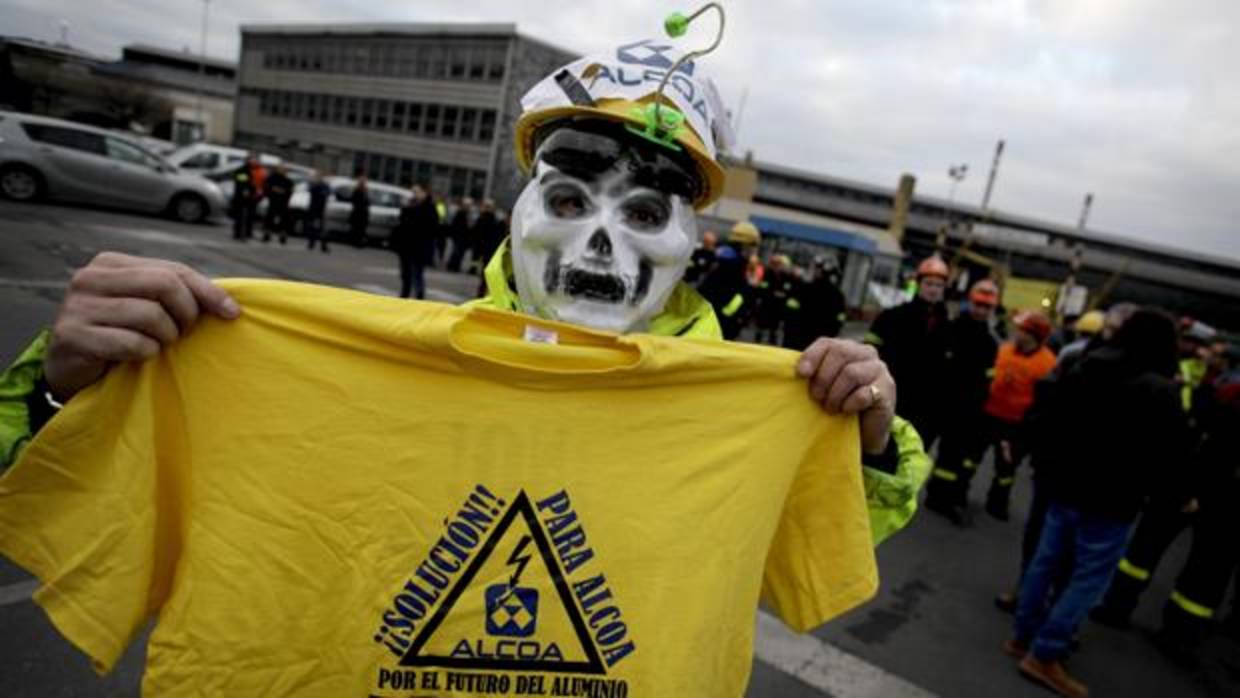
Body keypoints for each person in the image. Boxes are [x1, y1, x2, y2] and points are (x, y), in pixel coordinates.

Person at [0, 27, 930, 695]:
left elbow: (820, 547)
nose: (601, 245)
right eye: (569, 200)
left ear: (693, 243)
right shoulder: (298, 364)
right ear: (520, 215)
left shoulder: (760, 410)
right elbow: (48, 498)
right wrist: (56, 388)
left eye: (644, 216)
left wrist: (871, 441)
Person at [1005, 309, 1191, 698]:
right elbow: (1171, 455)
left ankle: (1023, 636)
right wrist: (1172, 498)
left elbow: (1054, 416)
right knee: (1086, 580)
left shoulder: (1088, 365)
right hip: (1113, 502)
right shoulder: (1162, 390)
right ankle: (1046, 652)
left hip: (1065, 484)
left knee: (1046, 561)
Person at [923, 279, 1002, 524]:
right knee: (916, 446)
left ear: (993, 309)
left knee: (951, 457)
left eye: (986, 307)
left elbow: (986, 381)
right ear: (970, 301)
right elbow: (933, 365)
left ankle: (939, 498)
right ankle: (893, 490)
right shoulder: (950, 329)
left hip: (964, 411)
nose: (981, 310)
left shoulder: (990, 343)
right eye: (978, 304)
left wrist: (977, 409)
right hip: (937, 402)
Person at [865, 255, 952, 447]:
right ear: (919, 284)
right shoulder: (892, 317)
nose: (933, 289)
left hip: (926, 411)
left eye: (939, 285)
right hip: (890, 401)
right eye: (929, 283)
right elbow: (869, 354)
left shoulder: (950, 328)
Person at [981, 310, 1057, 521]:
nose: (1016, 332)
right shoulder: (1004, 350)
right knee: (971, 457)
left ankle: (997, 502)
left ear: (1033, 335)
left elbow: (1043, 402)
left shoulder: (1047, 364)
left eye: (1021, 329)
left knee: (1006, 467)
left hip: (1015, 425)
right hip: (989, 414)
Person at [781, 256, 846, 350]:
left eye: (816, 268)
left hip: (796, 341)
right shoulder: (838, 295)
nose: (814, 271)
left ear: (820, 271)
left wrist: (789, 332)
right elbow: (839, 321)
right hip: (819, 346)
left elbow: (790, 312)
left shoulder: (803, 288)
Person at [392, 183, 439, 299]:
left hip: (419, 248)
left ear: (424, 193)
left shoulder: (429, 207)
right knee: (406, 274)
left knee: (417, 275)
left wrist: (410, 210)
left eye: (417, 192)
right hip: (407, 246)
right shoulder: (412, 205)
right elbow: (403, 223)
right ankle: (404, 295)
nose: (414, 194)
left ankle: (419, 297)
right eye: (413, 192)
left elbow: (429, 228)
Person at [230, 154, 265, 241]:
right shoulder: (242, 170)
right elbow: (241, 181)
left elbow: (251, 183)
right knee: (240, 216)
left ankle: (246, 233)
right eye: (252, 160)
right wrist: (246, 188)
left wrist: (256, 191)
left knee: (249, 216)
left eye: (255, 160)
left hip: (251, 197)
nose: (254, 161)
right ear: (248, 160)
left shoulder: (254, 170)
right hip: (241, 196)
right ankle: (238, 234)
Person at [261, 164, 294, 244]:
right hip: (273, 201)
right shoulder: (271, 178)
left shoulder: (288, 181)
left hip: (283, 203)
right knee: (269, 219)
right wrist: (273, 191)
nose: (282, 171)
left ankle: (283, 236)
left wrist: (283, 192)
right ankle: (267, 235)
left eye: (284, 169)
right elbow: (266, 188)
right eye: (281, 169)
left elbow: (290, 191)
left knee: (285, 220)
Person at [304, 171, 331, 253]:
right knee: (312, 227)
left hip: (321, 211)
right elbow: (309, 190)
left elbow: (327, 194)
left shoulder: (325, 186)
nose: (318, 178)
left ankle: (324, 245)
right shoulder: (314, 186)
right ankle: (311, 243)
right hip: (313, 210)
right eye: (317, 177)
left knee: (322, 229)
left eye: (319, 177)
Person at [445, 197, 474, 272]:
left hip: (463, 237)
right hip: (459, 237)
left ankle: (455, 266)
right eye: (467, 205)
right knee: (456, 252)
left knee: (459, 253)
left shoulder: (467, 215)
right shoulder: (460, 213)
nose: (468, 207)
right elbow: (456, 226)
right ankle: (452, 266)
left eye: (469, 205)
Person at [349, 173, 371, 247]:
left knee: (360, 229)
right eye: (362, 181)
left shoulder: (365, 191)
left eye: (364, 181)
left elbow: (367, 202)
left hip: (362, 213)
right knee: (357, 229)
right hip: (358, 212)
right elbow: (354, 200)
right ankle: (356, 242)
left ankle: (358, 242)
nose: (363, 183)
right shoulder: (357, 190)